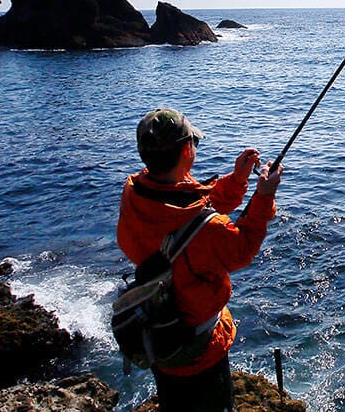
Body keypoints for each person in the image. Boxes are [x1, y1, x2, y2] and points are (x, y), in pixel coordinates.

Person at [117, 108, 282, 411]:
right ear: (186, 151)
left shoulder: (134, 194)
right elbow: (241, 249)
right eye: (193, 142)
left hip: (157, 334)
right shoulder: (208, 231)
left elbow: (192, 209)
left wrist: (237, 180)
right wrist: (264, 196)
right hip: (198, 348)